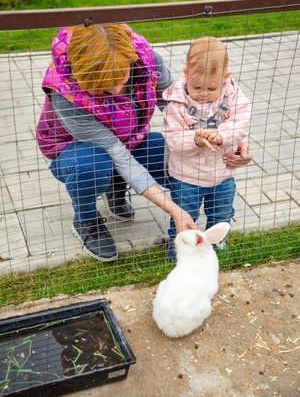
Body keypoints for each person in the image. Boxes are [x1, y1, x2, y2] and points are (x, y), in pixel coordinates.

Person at [36, 25, 252, 263]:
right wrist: (173, 209)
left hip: (130, 139)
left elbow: (177, 104)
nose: (117, 89)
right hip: (73, 150)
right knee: (93, 166)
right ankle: (86, 220)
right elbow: (116, 153)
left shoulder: (147, 61)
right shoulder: (65, 91)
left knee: (180, 161)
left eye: (120, 79)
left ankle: (116, 186)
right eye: (104, 86)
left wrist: (232, 138)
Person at [162, 36, 252, 261]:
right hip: (187, 176)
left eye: (211, 87)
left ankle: (216, 242)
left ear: (225, 78)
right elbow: (173, 138)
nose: (202, 93)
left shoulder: (232, 95)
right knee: (185, 215)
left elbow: (241, 122)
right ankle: (180, 250)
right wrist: (196, 139)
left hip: (223, 174)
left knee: (222, 213)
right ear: (185, 72)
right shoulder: (176, 103)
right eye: (196, 86)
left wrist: (222, 135)